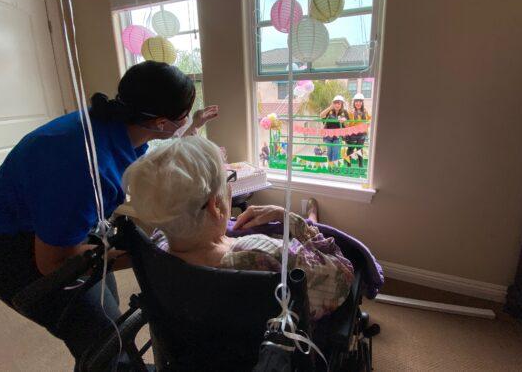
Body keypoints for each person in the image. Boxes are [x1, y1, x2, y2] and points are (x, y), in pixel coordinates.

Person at [0, 61, 219, 369]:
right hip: (10, 247)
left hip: (63, 224)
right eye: (185, 115)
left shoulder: (116, 123)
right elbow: (53, 262)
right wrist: (159, 255)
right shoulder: (85, 166)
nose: (186, 120)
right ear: (160, 122)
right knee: (107, 341)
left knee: (109, 317)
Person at [123, 136, 354, 321]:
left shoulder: (156, 246)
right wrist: (289, 218)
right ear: (215, 205)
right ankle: (311, 218)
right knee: (313, 228)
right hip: (271, 353)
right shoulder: (264, 254)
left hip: (204, 351)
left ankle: (311, 217)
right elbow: (343, 275)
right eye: (227, 181)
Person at [320, 95, 350, 170]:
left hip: (338, 136)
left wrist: (344, 120)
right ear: (333, 103)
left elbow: (348, 124)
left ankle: (335, 168)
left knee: (336, 152)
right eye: (335, 103)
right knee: (329, 153)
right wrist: (330, 107)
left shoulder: (344, 112)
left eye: (339, 103)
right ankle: (330, 167)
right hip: (328, 135)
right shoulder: (330, 111)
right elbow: (321, 115)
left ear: (341, 104)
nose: (337, 105)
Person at [345, 93, 371, 169]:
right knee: (350, 149)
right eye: (356, 101)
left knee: (360, 149)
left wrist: (365, 127)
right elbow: (347, 122)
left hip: (361, 134)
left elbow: (369, 120)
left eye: (360, 101)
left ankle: (361, 166)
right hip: (352, 134)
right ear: (354, 102)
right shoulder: (351, 111)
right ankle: (348, 166)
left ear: (362, 103)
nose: (358, 103)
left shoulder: (365, 112)